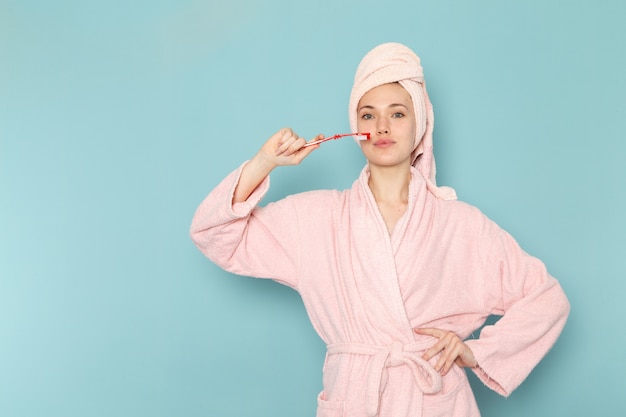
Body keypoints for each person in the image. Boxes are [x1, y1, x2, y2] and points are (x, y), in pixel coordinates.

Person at [189, 42, 570, 417]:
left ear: (419, 123)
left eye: (398, 114)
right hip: (354, 399)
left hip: (433, 399)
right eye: (368, 115)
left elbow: (545, 298)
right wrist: (264, 162)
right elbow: (214, 234)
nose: (382, 126)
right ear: (356, 128)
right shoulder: (318, 218)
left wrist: (481, 353)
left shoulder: (462, 224)